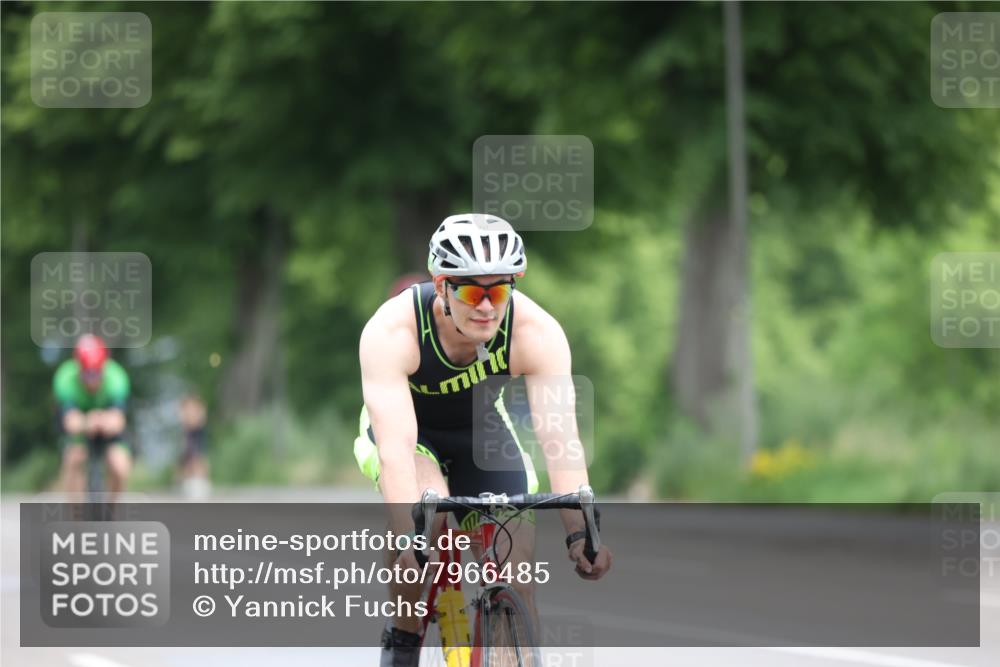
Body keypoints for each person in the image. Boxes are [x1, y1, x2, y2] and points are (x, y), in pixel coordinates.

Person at [356, 214, 613, 667]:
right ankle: (401, 637)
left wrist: (581, 532)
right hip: (409, 435)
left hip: (479, 432)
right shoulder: (391, 332)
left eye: (499, 291)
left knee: (515, 568)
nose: (487, 307)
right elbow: (396, 451)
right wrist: (408, 540)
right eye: (473, 292)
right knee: (426, 516)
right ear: (441, 287)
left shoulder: (536, 332)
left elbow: (559, 436)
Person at [52, 334, 132, 499]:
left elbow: (118, 421)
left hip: (106, 424)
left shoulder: (116, 377)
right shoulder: (65, 378)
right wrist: (88, 422)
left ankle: (111, 511)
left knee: (120, 465)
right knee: (74, 457)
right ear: (79, 369)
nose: (92, 381)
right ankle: (76, 516)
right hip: (81, 426)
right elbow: (70, 423)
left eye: (96, 374)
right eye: (87, 375)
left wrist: (102, 420)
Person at [178, 394, 211, 499]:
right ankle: (187, 484)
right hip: (189, 440)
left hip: (197, 438)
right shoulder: (186, 413)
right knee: (187, 461)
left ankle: (201, 483)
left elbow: (197, 422)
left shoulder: (199, 414)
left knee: (198, 460)